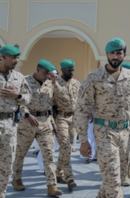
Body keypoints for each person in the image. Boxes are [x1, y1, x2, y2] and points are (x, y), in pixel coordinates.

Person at [73, 38, 130, 197]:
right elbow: (81, 109)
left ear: (124, 55)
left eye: (118, 53)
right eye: (112, 53)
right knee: (114, 184)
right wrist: (82, 140)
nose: (115, 56)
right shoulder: (94, 77)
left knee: (115, 178)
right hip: (104, 132)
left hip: (125, 133)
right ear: (106, 55)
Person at [12, 59, 63, 197]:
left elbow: (55, 102)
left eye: (49, 74)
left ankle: (51, 186)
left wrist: (52, 122)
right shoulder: (25, 81)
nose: (47, 76)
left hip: (45, 123)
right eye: (45, 73)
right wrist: (27, 115)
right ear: (38, 69)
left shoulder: (50, 83)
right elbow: (18, 101)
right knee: (20, 153)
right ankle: (16, 179)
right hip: (27, 123)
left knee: (49, 155)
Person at [0, 45, 31, 198]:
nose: (16, 60)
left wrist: (18, 96)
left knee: (6, 166)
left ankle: (0, 195)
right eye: (13, 58)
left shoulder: (19, 77)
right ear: (3, 57)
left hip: (10, 125)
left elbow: (28, 99)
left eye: (18, 57)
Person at [53, 59, 80, 188]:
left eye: (73, 69)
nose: (72, 72)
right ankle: (69, 177)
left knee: (66, 147)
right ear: (62, 70)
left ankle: (58, 173)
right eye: (69, 70)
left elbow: (80, 101)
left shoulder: (76, 84)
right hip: (60, 118)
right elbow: (50, 104)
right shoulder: (54, 83)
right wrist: (52, 122)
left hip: (73, 119)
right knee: (65, 146)